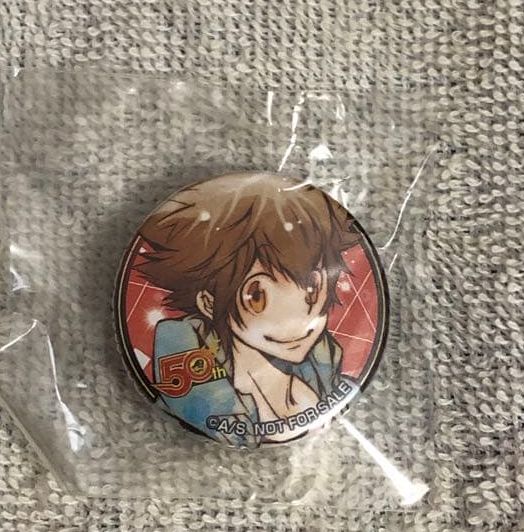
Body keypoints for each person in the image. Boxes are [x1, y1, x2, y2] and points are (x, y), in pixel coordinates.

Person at [136, 172, 359, 444]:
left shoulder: (323, 368)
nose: (294, 320)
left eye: (311, 288)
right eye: (257, 297)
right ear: (209, 303)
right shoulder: (199, 391)